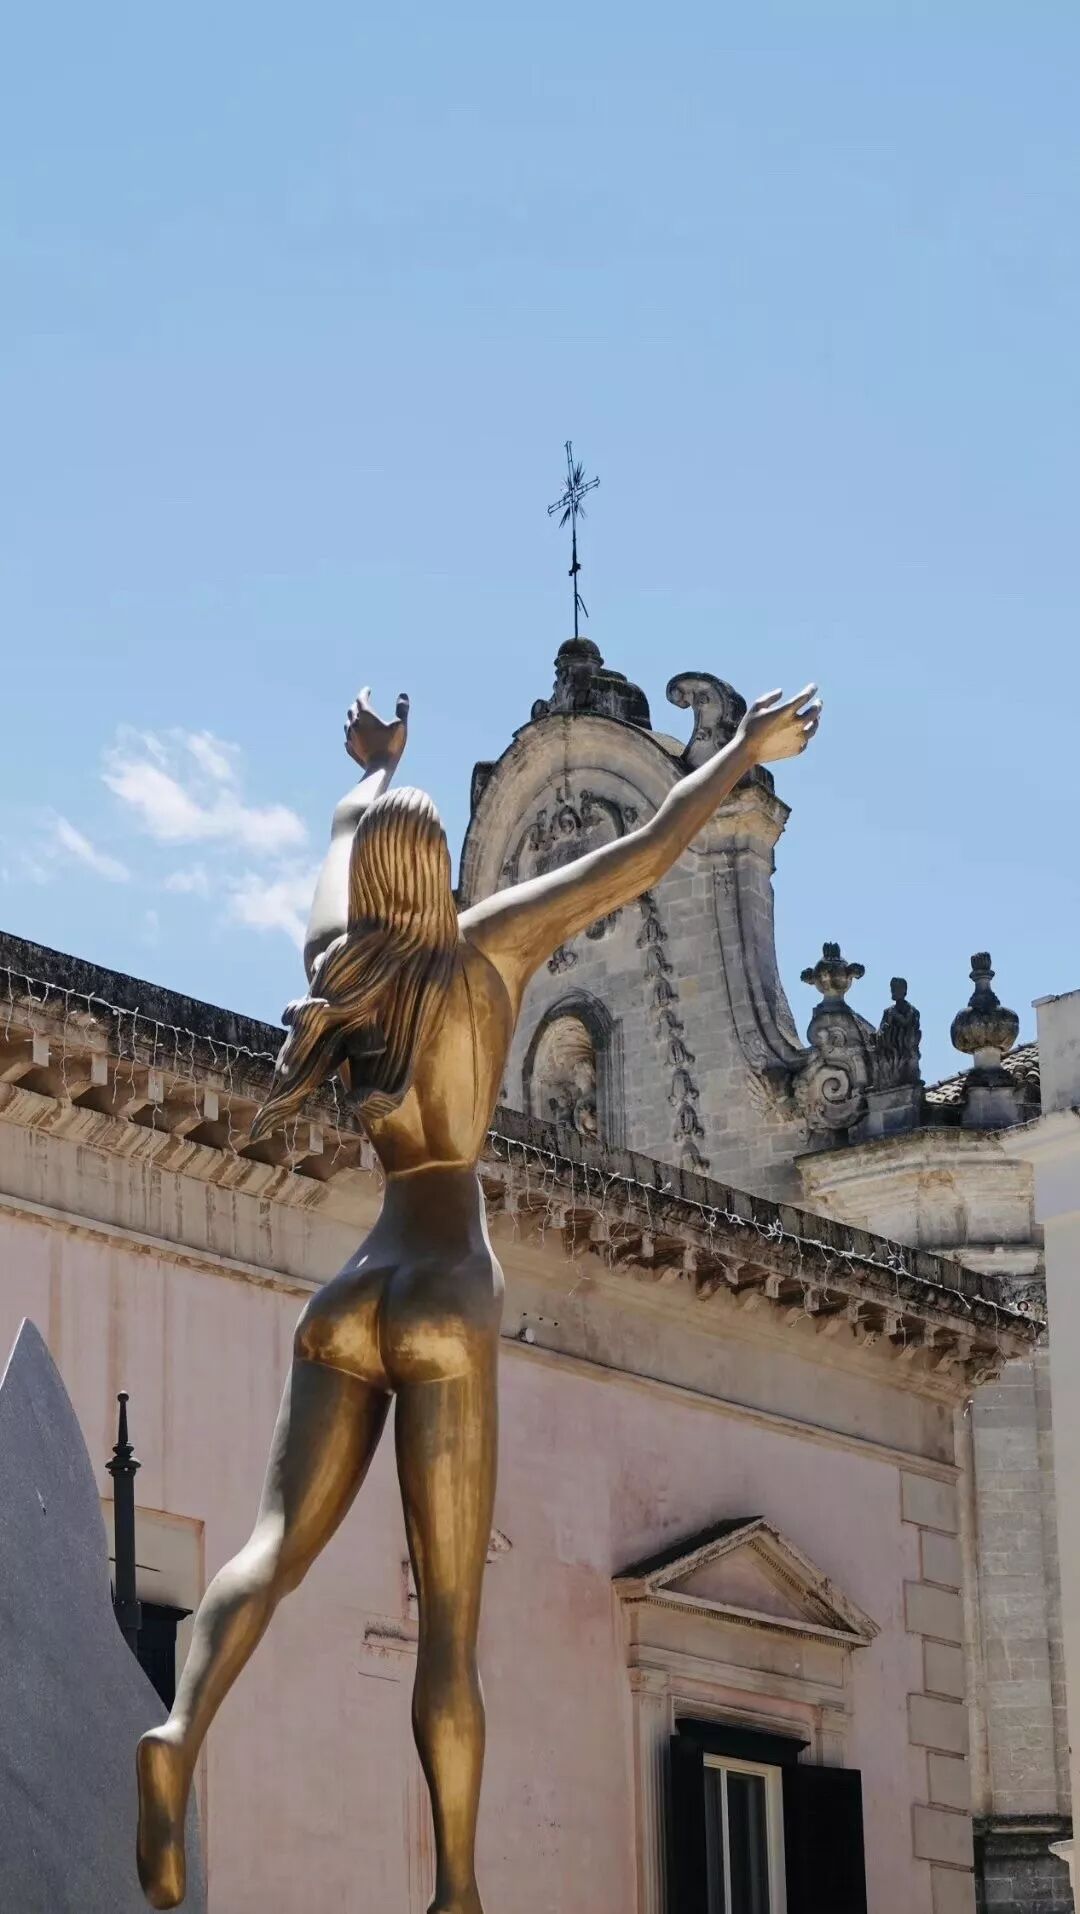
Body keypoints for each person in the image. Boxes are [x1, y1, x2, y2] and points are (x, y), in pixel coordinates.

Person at [136, 679, 822, 1913]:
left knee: (268, 1549)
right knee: (449, 1625)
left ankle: (180, 1726)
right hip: (448, 1286)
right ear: (438, 870)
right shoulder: (487, 945)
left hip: (353, 1289)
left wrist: (369, 772)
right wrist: (737, 758)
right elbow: (646, 849)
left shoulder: (343, 976)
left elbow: (333, 866)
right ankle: (457, 1890)